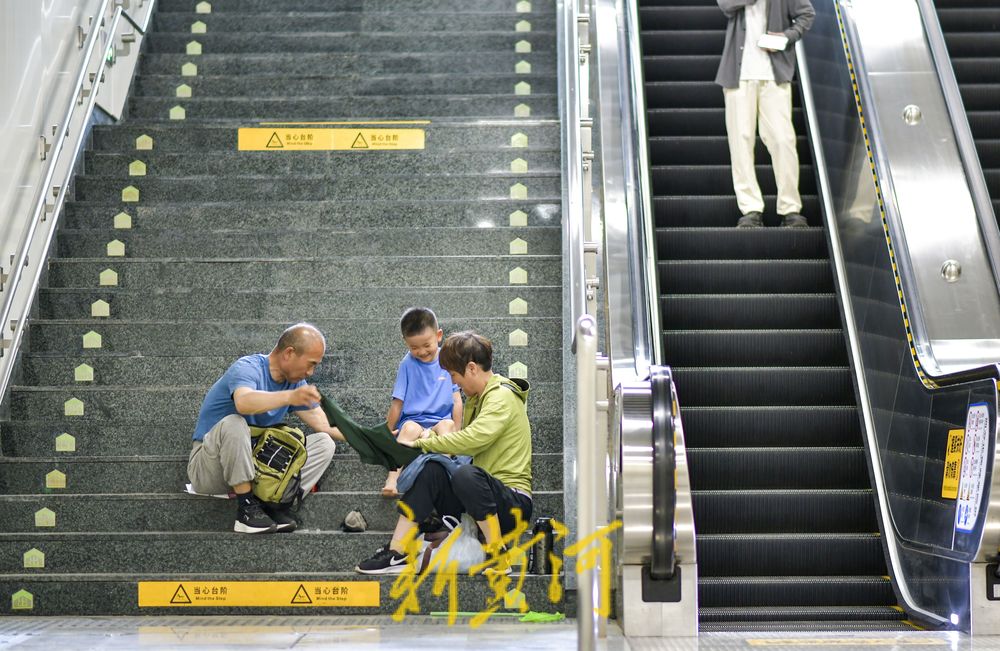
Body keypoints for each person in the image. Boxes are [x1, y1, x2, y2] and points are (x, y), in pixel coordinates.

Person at [355, 331, 532, 575]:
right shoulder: (477, 399)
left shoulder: (501, 396)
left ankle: (497, 554)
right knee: (433, 471)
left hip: (511, 505)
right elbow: (459, 445)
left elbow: (473, 440)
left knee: (467, 475)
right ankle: (397, 553)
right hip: (479, 502)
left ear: (471, 368)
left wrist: (419, 445)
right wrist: (424, 438)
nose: (454, 383)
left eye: (454, 376)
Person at [187, 323, 343, 534]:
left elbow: (324, 424)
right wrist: (289, 397)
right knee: (234, 422)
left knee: (324, 443)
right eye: (310, 364)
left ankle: (273, 505)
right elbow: (244, 402)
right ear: (289, 353)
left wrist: (372, 441)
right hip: (210, 468)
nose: (311, 372)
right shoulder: (247, 367)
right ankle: (246, 510)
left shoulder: (295, 383)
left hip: (256, 466)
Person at [716, 0, 815, 228]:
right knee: (741, 141)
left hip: (774, 75)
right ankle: (750, 209)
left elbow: (806, 14)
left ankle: (790, 209)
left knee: (783, 140)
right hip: (738, 75)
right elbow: (725, 4)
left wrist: (786, 37)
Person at [381, 307, 463, 498]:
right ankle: (392, 479)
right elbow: (397, 402)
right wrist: (385, 432)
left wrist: (458, 432)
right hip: (414, 422)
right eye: (414, 347)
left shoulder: (448, 361)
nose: (421, 352)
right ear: (406, 343)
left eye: (427, 345)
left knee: (448, 426)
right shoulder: (407, 364)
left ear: (439, 335)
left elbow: (457, 401)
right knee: (408, 429)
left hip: (440, 421)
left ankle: (446, 474)